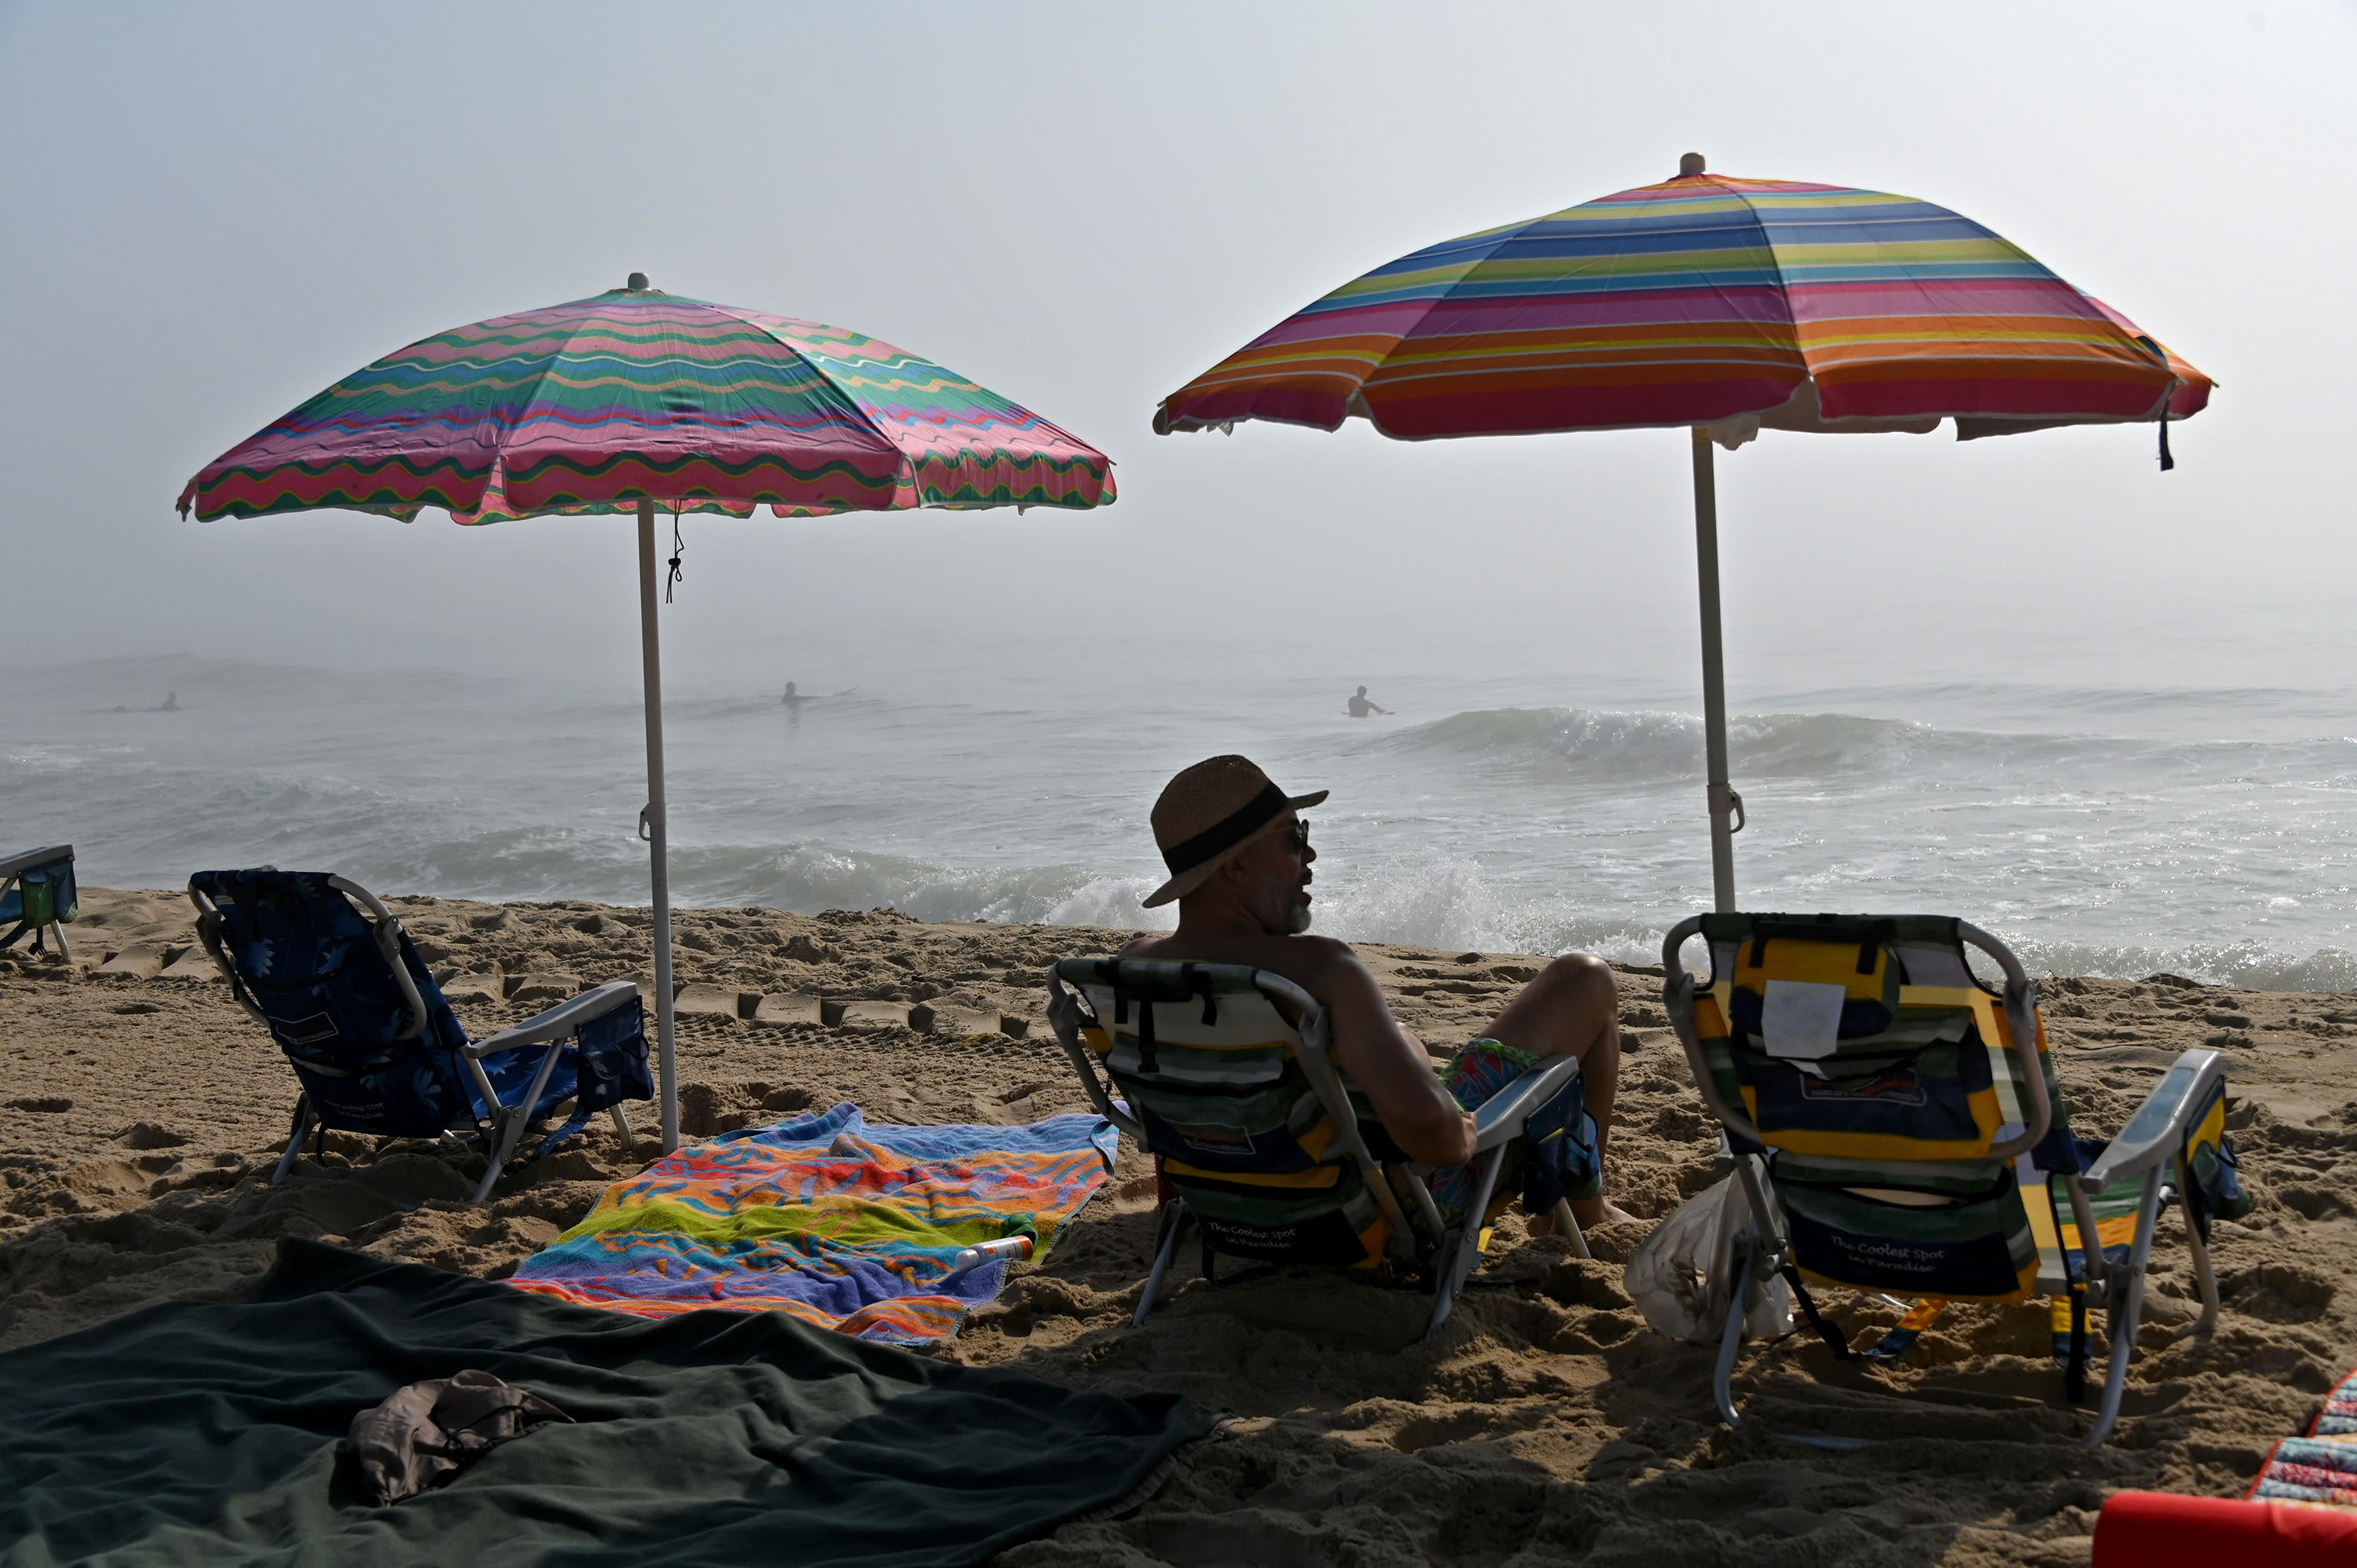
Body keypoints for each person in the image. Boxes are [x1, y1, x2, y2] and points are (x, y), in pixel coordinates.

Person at [1121, 754, 1632, 1230]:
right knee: (1585, 977)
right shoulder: (1322, 970)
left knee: (1403, 1041)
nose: (1311, 852)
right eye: (1294, 836)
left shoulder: (1134, 968)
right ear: (1235, 866)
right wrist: (1481, 1123)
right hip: (1392, 1206)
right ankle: (1589, 1211)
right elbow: (1436, 1137)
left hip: (1238, 1205)